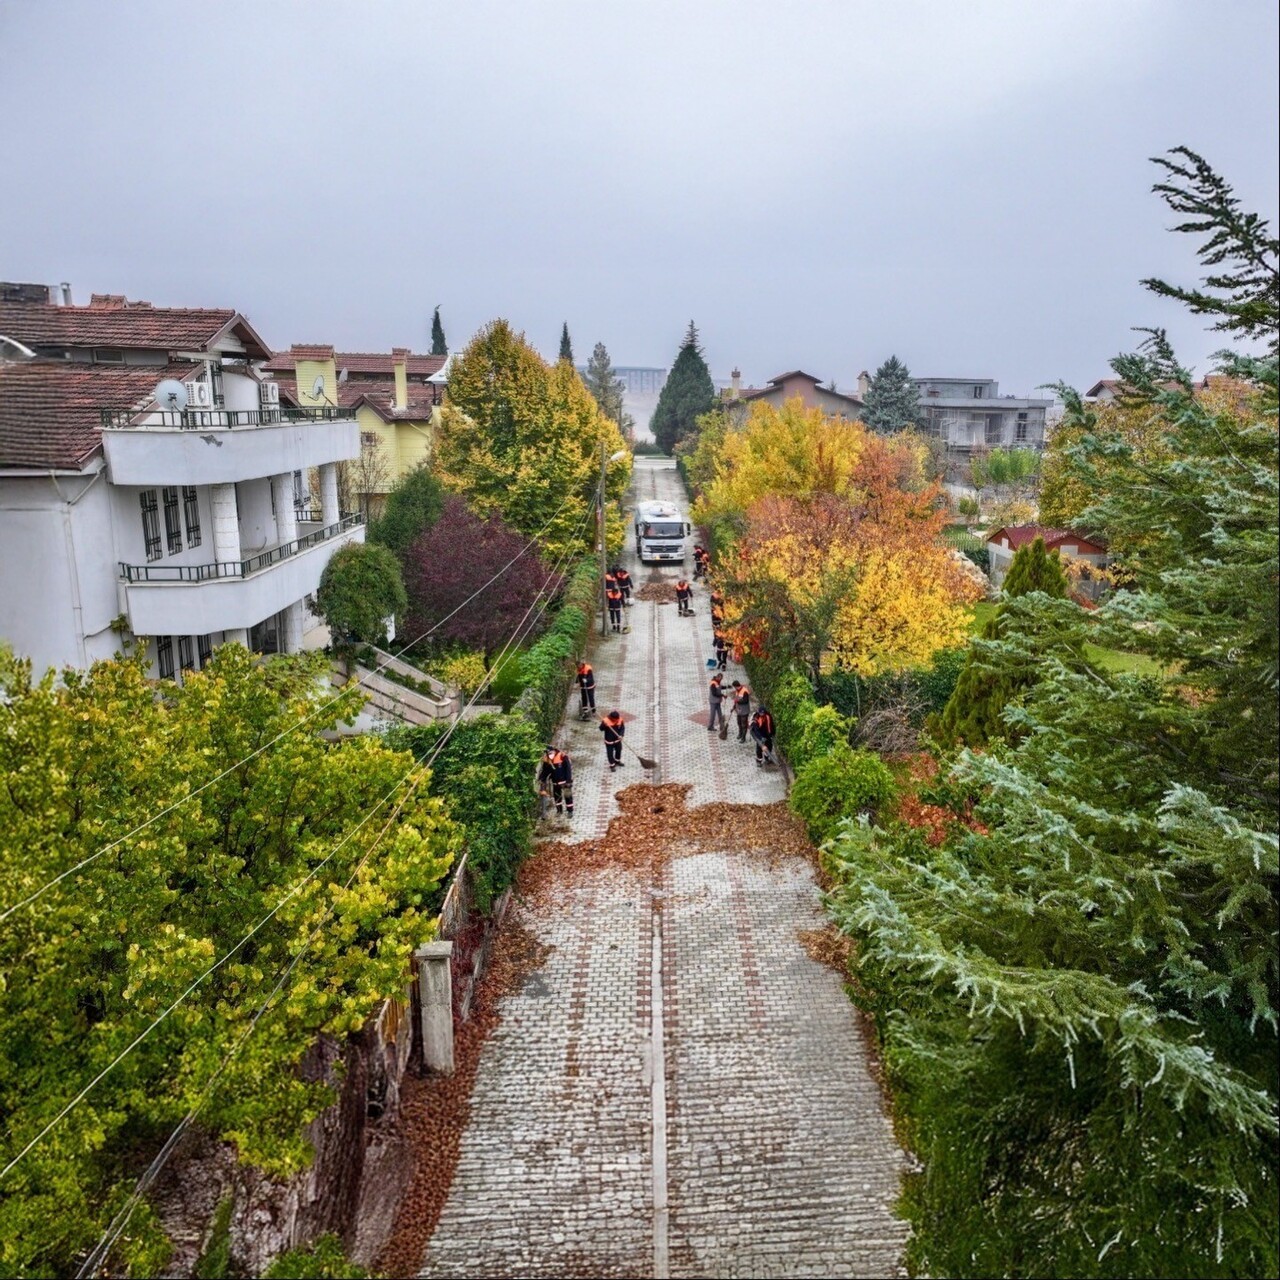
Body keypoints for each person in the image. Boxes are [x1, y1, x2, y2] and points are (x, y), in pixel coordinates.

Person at [538, 744, 575, 816]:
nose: (550, 755)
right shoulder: (548, 761)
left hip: (565, 782)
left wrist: (568, 781)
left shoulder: (562, 757)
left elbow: (568, 770)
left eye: (551, 753)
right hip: (555, 782)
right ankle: (559, 811)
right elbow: (545, 772)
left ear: (554, 751)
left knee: (568, 796)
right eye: (548, 754)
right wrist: (542, 779)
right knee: (557, 797)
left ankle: (570, 811)